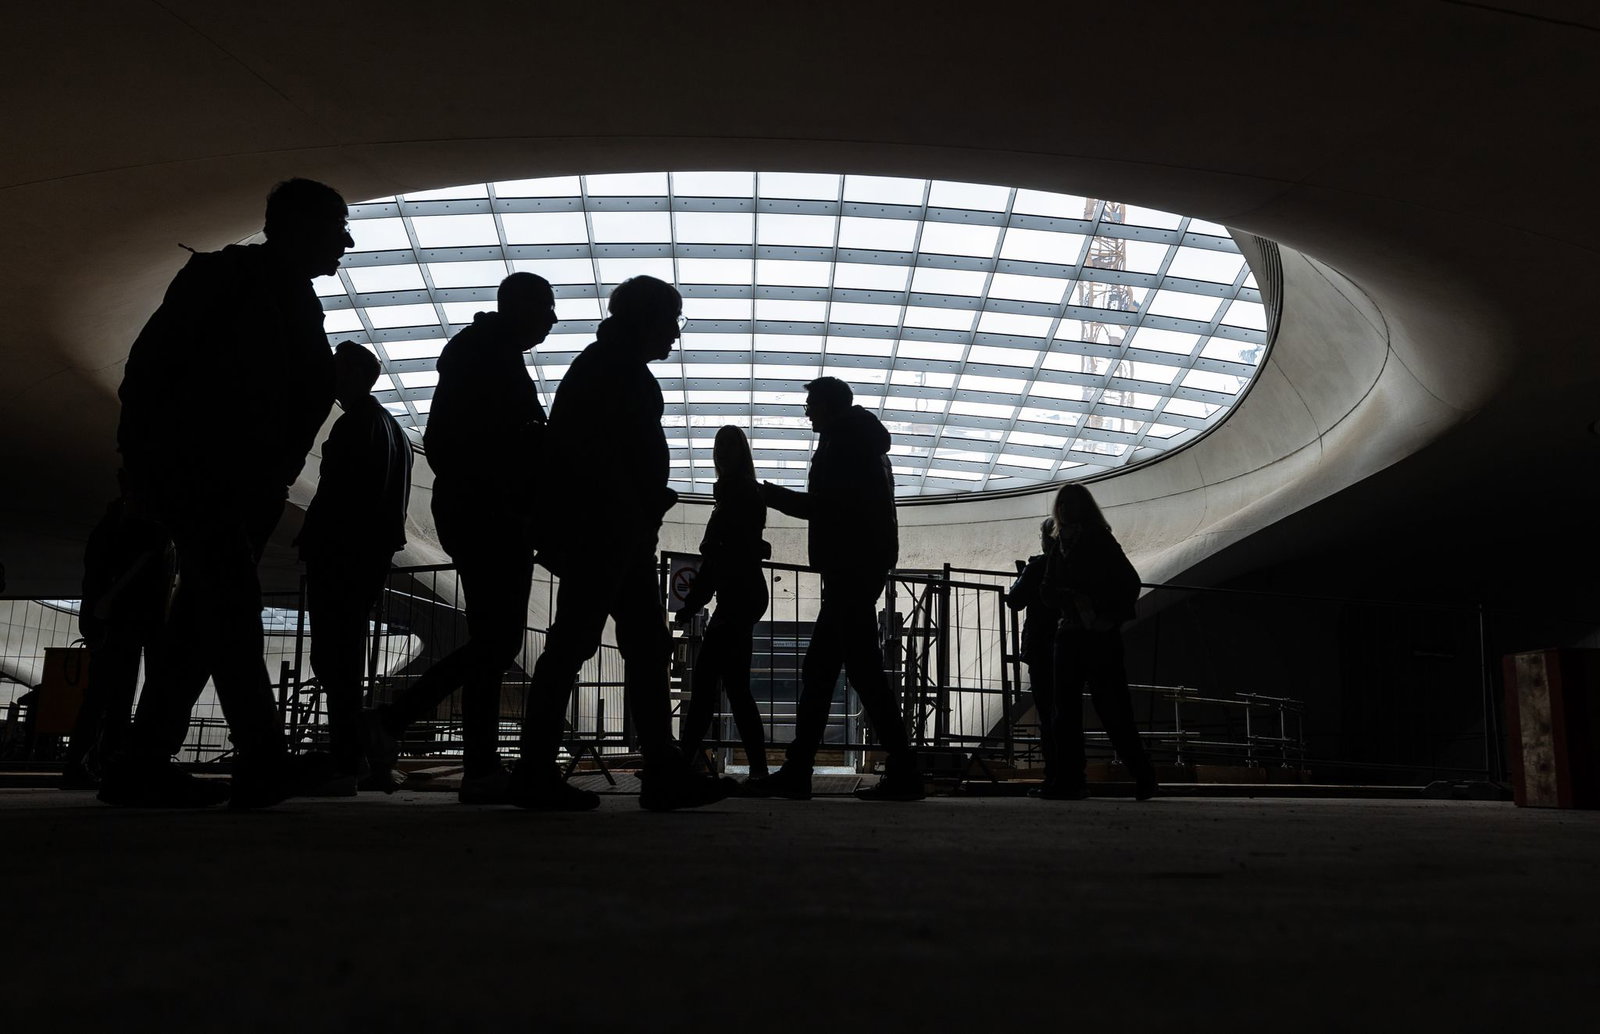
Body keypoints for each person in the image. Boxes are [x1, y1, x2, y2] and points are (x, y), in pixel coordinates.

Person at [101, 177, 349, 809]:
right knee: (232, 604)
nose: (345, 240)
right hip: (205, 472)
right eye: (334, 226)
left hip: (241, 479)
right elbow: (151, 369)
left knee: (198, 619)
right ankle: (262, 758)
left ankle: (142, 760)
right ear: (296, 227)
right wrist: (144, 461)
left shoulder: (284, 295)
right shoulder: (232, 280)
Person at [513, 275, 727, 811]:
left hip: (614, 530)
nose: (675, 335)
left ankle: (650, 768)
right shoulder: (617, 371)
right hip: (608, 530)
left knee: (617, 643)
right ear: (647, 320)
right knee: (584, 642)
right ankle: (634, 770)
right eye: (671, 322)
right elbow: (599, 456)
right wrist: (643, 498)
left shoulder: (604, 366)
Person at [362, 273, 555, 804]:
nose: (553, 320)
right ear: (520, 307)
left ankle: (472, 762)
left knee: (492, 642)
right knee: (496, 642)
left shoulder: (477, 353)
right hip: (492, 513)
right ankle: (406, 725)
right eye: (546, 308)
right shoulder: (494, 358)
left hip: (474, 510)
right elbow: (505, 441)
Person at [750, 376, 923, 802]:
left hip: (848, 570)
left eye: (811, 403)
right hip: (858, 569)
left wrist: (766, 495)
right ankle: (806, 769)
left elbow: (824, 507)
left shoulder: (843, 442)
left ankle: (810, 771)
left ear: (828, 406)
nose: (806, 411)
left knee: (844, 671)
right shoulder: (861, 440)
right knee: (833, 670)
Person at [297, 342, 413, 795]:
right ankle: (356, 759)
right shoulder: (394, 430)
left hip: (341, 551)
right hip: (371, 554)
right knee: (347, 654)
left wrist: (313, 536)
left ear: (346, 376)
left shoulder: (352, 425)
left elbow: (337, 491)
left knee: (333, 656)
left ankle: (345, 761)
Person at [1040, 484, 1157, 801]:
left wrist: (1094, 610)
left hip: (1082, 635)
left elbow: (1049, 591)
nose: (1064, 509)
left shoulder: (1079, 543)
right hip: (1090, 635)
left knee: (1082, 709)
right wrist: (1104, 613)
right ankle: (1138, 774)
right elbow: (1127, 583)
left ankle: (1073, 780)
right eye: (1062, 503)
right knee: (1096, 708)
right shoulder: (1072, 544)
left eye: (1070, 503)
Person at [673, 425, 771, 782]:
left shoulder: (731, 495)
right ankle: (757, 769)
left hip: (734, 600)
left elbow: (715, 558)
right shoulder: (746, 493)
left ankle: (682, 764)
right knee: (734, 688)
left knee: (705, 688)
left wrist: (690, 605)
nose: (722, 452)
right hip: (744, 597)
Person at [61, 495, 176, 789]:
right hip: (132, 620)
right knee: (116, 697)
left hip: (115, 621)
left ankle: (86, 764)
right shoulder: (150, 531)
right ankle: (107, 763)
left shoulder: (113, 527)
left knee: (105, 695)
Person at [1006, 518, 1062, 797]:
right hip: (1069, 645)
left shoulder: (1039, 566)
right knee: (1066, 711)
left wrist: (1024, 572)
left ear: (1046, 539)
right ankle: (1072, 776)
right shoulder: (1075, 565)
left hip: (1041, 646)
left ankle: (1055, 778)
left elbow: (1015, 600)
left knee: (1047, 713)